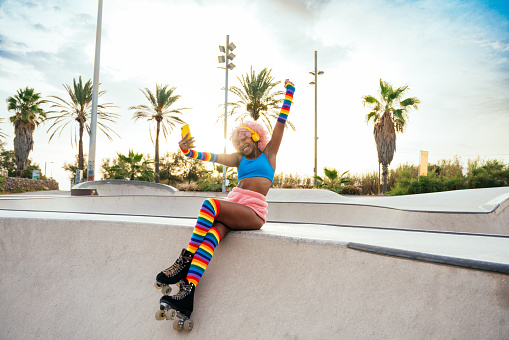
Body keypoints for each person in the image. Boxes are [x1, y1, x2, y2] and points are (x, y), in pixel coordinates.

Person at [156, 79, 295, 321]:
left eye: (245, 139)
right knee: (210, 239)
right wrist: (187, 151)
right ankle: (188, 293)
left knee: (211, 204)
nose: (242, 144)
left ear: (254, 136)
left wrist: (289, 93)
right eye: (238, 142)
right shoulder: (239, 159)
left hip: (252, 211)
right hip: (235, 207)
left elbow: (280, 124)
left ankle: (184, 261)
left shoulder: (269, 153)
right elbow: (209, 156)